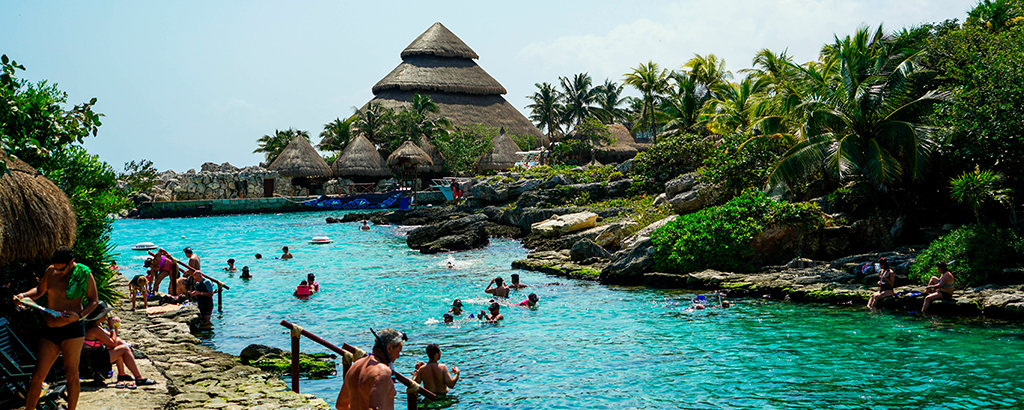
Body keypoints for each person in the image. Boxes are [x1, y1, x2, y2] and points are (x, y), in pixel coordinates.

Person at [12, 246, 99, 410]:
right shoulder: (51, 271)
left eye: (62, 269)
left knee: (71, 374)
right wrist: (23, 296)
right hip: (50, 329)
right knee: (37, 376)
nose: (58, 272)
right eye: (56, 268)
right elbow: (39, 291)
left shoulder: (84, 274)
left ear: (71, 262)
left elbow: (94, 300)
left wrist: (79, 316)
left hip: (72, 329)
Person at [82, 302, 157, 388]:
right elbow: (112, 342)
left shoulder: (95, 326)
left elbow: (114, 339)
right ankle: (139, 378)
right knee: (124, 349)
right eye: (105, 314)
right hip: (95, 363)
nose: (106, 316)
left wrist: (114, 327)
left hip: (94, 357)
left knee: (119, 344)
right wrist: (112, 327)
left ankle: (122, 374)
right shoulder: (94, 330)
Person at [336, 328, 406, 410]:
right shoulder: (382, 371)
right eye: (399, 350)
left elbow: (341, 405)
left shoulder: (355, 366)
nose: (398, 356)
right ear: (389, 348)